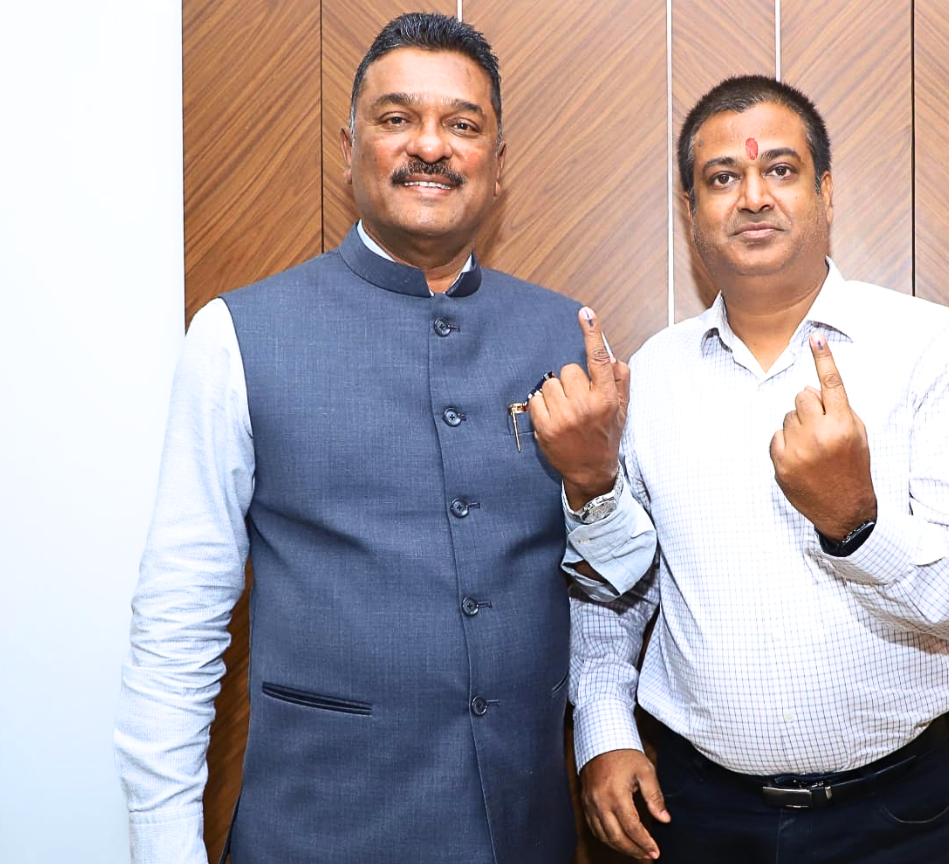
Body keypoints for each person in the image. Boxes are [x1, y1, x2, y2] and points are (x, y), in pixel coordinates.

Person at [114, 13, 602, 864]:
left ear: (497, 160)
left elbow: (614, 585)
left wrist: (597, 484)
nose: (431, 146)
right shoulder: (236, 334)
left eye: (463, 124)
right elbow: (179, 617)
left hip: (522, 833)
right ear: (349, 147)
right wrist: (164, 846)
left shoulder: (570, 336)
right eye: (396, 118)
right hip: (317, 829)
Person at [530, 75, 949, 863]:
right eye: (723, 177)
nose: (753, 195)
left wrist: (857, 524)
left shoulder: (932, 349)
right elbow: (615, 587)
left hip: (895, 816)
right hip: (697, 813)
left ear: (825, 191)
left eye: (780, 170)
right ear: (691, 213)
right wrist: (604, 732)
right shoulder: (651, 378)